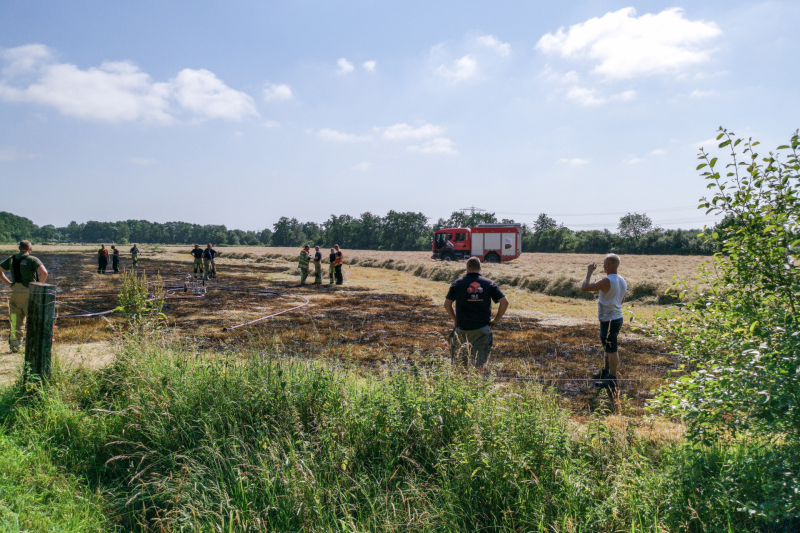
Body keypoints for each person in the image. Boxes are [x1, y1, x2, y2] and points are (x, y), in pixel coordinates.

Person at [443, 256, 509, 368]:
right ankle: (477, 384)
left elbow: (447, 304)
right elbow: (504, 302)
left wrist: (455, 319)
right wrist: (496, 320)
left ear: (468, 267)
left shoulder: (457, 283)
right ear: (480, 268)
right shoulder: (489, 284)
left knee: (460, 364)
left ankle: (461, 384)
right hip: (482, 329)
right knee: (479, 364)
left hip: (462, 328)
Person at [580, 253, 628, 392]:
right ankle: (606, 372)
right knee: (607, 345)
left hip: (609, 319)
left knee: (612, 348)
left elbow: (585, 287)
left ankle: (612, 378)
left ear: (608, 264)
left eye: (604, 263)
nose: (603, 266)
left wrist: (589, 272)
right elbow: (622, 300)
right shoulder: (622, 280)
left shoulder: (607, 280)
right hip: (615, 317)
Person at [0, 241, 48, 353]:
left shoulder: (11, 259)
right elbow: (44, 273)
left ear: (19, 248)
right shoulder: (32, 259)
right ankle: (35, 347)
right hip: (28, 292)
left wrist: (9, 283)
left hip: (15, 291)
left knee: (15, 321)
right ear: (30, 249)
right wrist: (38, 287)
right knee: (34, 320)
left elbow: (0, 270)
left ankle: (15, 348)